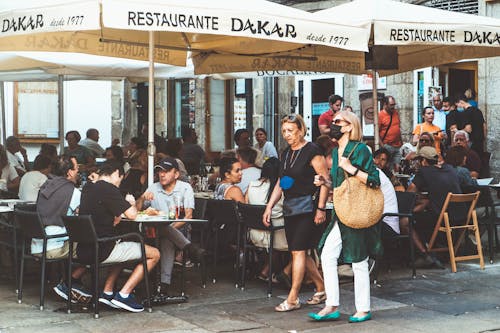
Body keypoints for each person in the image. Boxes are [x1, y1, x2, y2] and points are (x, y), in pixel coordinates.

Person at [310, 110, 381, 323]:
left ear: (350, 126)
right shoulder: (334, 152)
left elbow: (374, 180)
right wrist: (325, 183)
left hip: (357, 210)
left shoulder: (360, 150)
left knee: (359, 260)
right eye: (332, 122)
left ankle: (363, 308)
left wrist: (351, 168)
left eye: (338, 122)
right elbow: (340, 185)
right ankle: (332, 304)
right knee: (327, 254)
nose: (334, 125)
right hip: (342, 210)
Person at [263, 114, 327, 312]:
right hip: (290, 207)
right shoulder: (286, 153)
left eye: (290, 131)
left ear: (301, 130)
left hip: (308, 207)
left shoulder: (312, 151)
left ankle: (293, 298)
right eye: (284, 131)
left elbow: (324, 180)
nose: (287, 135)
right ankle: (322, 287)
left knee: (298, 251)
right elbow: (283, 182)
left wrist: (321, 208)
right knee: (299, 252)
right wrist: (269, 205)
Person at [77, 161, 160, 312]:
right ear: (116, 173)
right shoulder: (109, 189)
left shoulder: (88, 188)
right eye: (120, 179)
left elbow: (110, 217)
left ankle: (107, 292)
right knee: (154, 254)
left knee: (124, 242)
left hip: (83, 249)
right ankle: (124, 294)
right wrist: (131, 203)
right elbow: (133, 215)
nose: (119, 183)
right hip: (102, 248)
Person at [136, 157, 199, 293]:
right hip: (152, 232)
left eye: (166, 171)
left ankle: (163, 284)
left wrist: (168, 229)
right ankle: (188, 248)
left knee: (166, 236)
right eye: (160, 171)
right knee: (164, 232)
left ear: (176, 174)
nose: (162, 174)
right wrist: (142, 198)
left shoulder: (185, 188)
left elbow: (188, 217)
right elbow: (138, 209)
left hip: (179, 230)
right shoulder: (153, 187)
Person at [35, 156, 89, 303]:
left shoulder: (46, 186)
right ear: (70, 172)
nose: (78, 171)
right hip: (54, 246)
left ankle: (73, 283)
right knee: (96, 247)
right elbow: (86, 215)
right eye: (77, 168)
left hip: (37, 244)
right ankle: (70, 282)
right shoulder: (73, 193)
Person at [407, 146, 465, 268]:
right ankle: (437, 251)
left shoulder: (424, 171)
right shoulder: (450, 169)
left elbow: (410, 192)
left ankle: (425, 254)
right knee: (427, 212)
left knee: (409, 219)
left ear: (423, 161)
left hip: (442, 218)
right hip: (461, 216)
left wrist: (421, 198)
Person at [246, 157, 290, 282]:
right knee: (303, 243)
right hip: (275, 235)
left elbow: (247, 205)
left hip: (255, 234)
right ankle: (285, 272)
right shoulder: (281, 189)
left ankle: (269, 271)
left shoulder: (252, 185)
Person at [379, 96, 403, 171]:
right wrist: (383, 146)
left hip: (398, 146)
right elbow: (376, 132)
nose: (393, 107)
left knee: (397, 168)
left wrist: (401, 142)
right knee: (387, 168)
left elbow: (398, 128)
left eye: (394, 104)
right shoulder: (380, 115)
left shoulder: (395, 112)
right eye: (391, 105)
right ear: (385, 105)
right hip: (387, 146)